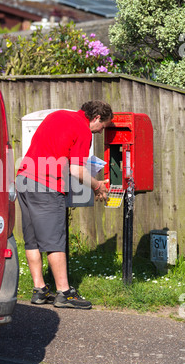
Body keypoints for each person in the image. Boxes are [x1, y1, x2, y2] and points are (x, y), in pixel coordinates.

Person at [16, 101, 113, 309]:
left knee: (32, 238)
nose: (100, 131)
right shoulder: (83, 129)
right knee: (55, 240)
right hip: (45, 183)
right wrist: (97, 186)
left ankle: (39, 290)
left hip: (24, 179)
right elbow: (77, 170)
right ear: (96, 118)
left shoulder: (58, 115)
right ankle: (64, 293)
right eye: (103, 126)